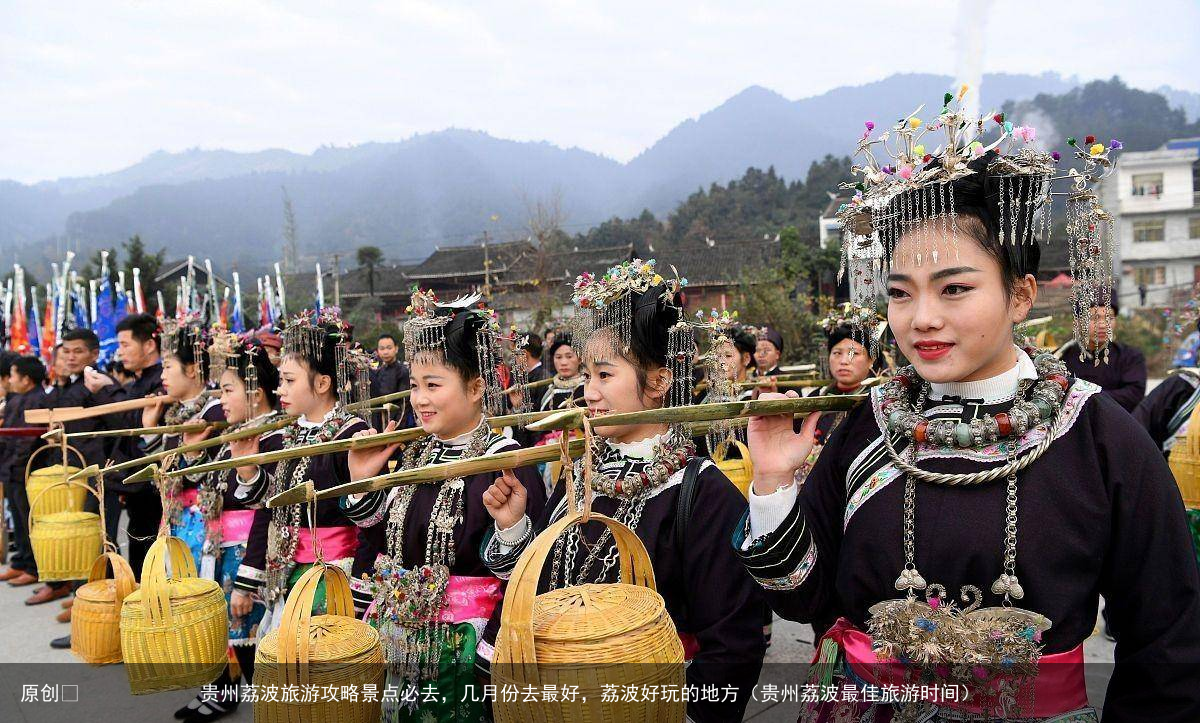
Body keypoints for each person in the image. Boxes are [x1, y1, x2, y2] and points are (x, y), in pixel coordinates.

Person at [737, 102, 1200, 721]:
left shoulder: (1097, 439)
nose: (922, 318)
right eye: (900, 293)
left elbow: (1168, 643)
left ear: (1021, 294)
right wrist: (770, 486)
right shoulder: (868, 426)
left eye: (955, 288)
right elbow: (803, 598)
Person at [480, 260, 768, 722]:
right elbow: (540, 590)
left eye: (604, 376)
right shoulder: (584, 476)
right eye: (586, 376)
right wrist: (514, 527)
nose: (587, 393)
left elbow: (732, 642)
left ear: (658, 381)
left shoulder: (703, 493)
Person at [339, 291, 546, 722]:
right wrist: (364, 483)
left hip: (464, 653)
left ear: (475, 387)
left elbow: (528, 575)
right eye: (414, 386)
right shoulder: (415, 456)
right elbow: (381, 545)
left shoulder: (507, 464)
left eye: (433, 385)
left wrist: (488, 656)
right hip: (397, 639)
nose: (419, 399)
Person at [238, 308, 373, 638]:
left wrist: (358, 591)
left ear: (323, 383)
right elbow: (276, 504)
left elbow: (371, 524)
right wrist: (249, 473)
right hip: (289, 572)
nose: (279, 390)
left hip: (333, 577)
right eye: (280, 379)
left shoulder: (351, 435)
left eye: (288, 381)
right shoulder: (290, 432)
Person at [172, 334, 285, 723]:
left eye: (227, 389)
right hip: (220, 548)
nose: (221, 400)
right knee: (224, 631)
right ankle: (221, 691)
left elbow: (266, 509)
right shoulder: (230, 438)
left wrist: (246, 579)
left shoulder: (274, 439)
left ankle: (263, 709)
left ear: (256, 392)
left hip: (249, 551)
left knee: (252, 640)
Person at [84, 313, 166, 580]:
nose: (120, 353)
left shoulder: (159, 381)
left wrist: (108, 390)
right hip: (133, 483)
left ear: (150, 345)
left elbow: (133, 423)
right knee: (138, 549)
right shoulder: (138, 381)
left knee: (149, 554)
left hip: (151, 484)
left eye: (125, 344)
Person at [142, 318, 226, 568]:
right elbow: (163, 472)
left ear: (191, 369)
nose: (162, 376)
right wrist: (150, 429)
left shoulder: (216, 413)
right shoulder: (175, 412)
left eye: (168, 367)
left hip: (205, 520)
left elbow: (210, 475)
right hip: (175, 515)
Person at [0, 356, 53, 599]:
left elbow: (26, 441)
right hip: (10, 469)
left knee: (30, 521)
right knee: (20, 521)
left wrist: (15, 464)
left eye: (13, 375)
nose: (10, 380)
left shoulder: (38, 400)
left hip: (26, 470)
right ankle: (22, 561)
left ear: (27, 379)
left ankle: (34, 567)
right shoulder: (16, 399)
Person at [1056, 300, 1147, 412]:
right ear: (1078, 321)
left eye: (1109, 318)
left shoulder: (1130, 357)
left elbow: (1134, 395)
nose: (1103, 325)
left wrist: (1084, 399)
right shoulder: (1060, 358)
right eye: (1094, 318)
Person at [369, 332, 411, 428]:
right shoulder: (378, 372)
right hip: (380, 420)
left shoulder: (403, 371)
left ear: (396, 349)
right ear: (377, 351)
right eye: (382, 349)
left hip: (397, 421)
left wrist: (398, 425)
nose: (385, 352)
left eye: (389, 348)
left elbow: (405, 402)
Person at [537, 332, 584, 412]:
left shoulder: (588, 387)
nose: (563, 362)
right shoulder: (549, 390)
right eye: (558, 357)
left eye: (569, 356)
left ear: (579, 359)